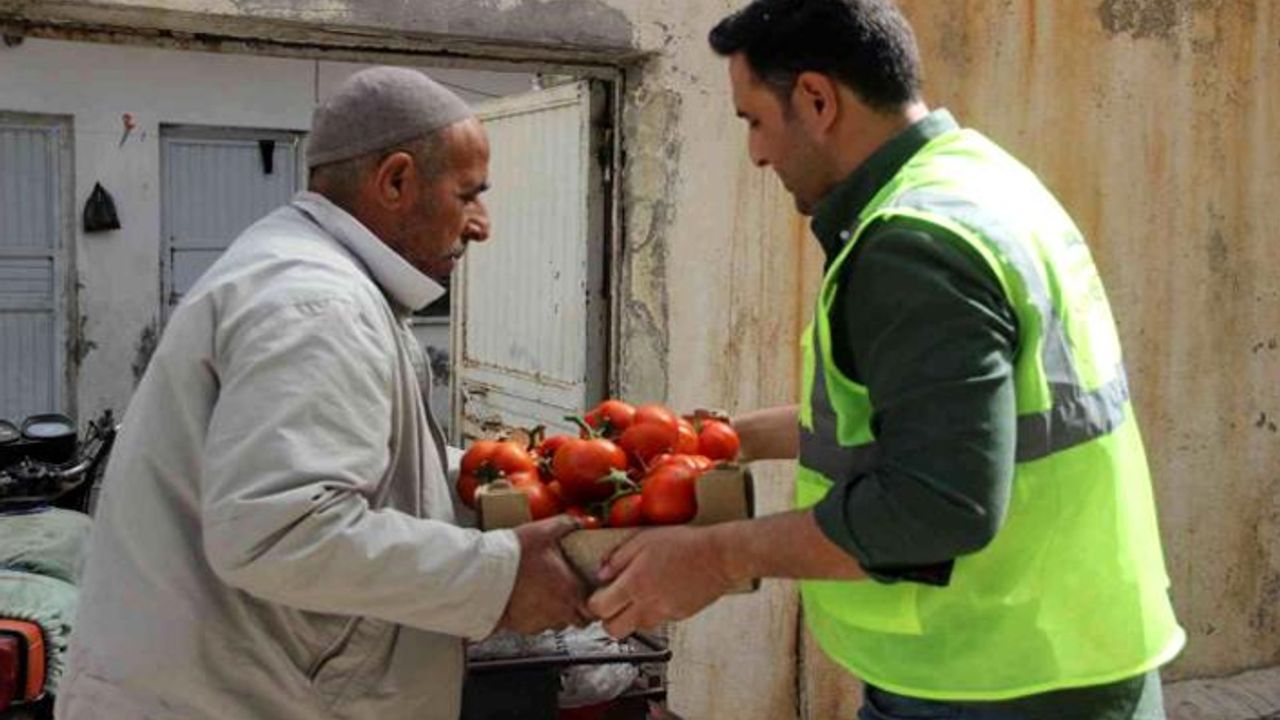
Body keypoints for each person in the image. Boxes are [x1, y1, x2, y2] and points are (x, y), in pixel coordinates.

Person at [588, 1, 1185, 717]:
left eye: (753, 119)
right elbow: (930, 422)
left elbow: (936, 506)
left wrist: (717, 556)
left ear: (816, 99)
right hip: (1051, 653)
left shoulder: (914, 243)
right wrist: (721, 440)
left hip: (1002, 681)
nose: (755, 152)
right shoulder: (978, 181)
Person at [58, 67, 588, 720]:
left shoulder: (316, 279)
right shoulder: (316, 303)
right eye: (467, 194)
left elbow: (356, 470)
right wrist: (497, 577)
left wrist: (511, 477)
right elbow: (278, 531)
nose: (481, 225)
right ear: (395, 180)